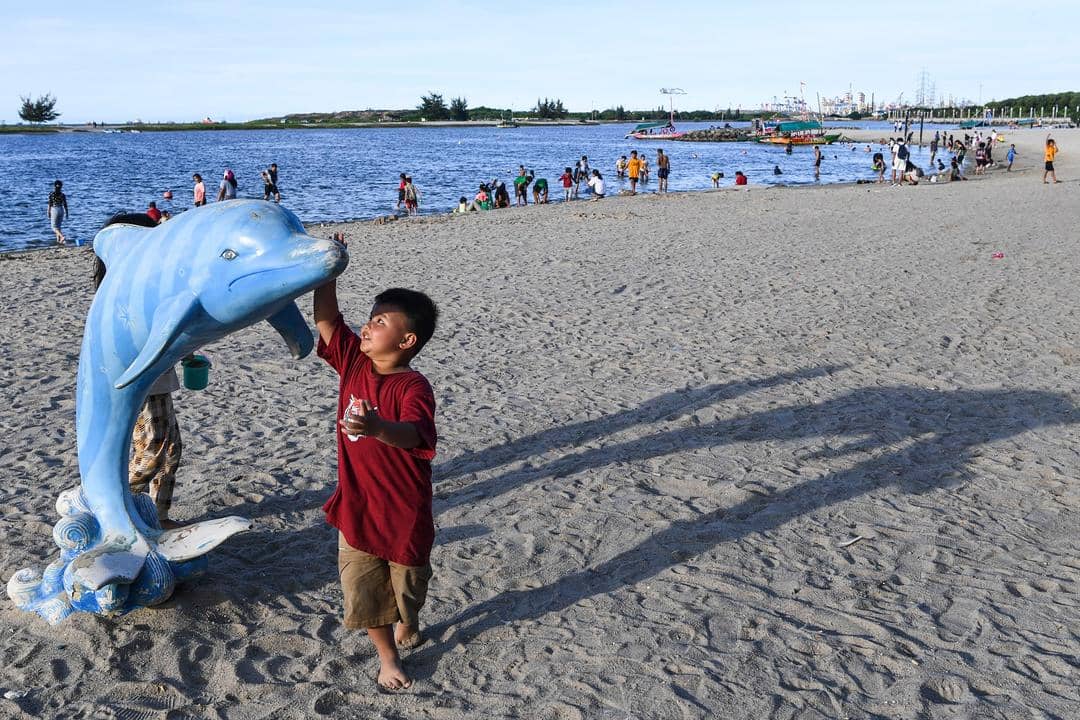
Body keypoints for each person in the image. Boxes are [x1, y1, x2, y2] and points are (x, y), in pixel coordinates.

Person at [313, 274, 439, 692]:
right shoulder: (353, 362)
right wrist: (326, 273)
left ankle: (410, 618)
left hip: (404, 512)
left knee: (408, 590)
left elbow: (414, 434)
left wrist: (376, 427)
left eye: (381, 322)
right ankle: (388, 658)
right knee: (364, 591)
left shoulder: (413, 385)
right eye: (370, 318)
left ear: (406, 341)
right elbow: (328, 320)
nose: (367, 326)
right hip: (357, 506)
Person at [91, 212, 189, 528]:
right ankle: (113, 510)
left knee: (171, 449)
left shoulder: (146, 281)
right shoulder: (122, 287)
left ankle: (157, 517)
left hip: (158, 379)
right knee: (153, 448)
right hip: (141, 383)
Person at [47, 180, 69, 244]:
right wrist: (67, 213)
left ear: (54, 186)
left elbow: (50, 204)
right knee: (58, 227)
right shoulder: (62, 194)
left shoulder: (52, 194)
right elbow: (65, 204)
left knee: (54, 227)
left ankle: (62, 237)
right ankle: (58, 241)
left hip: (54, 209)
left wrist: (48, 212)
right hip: (61, 210)